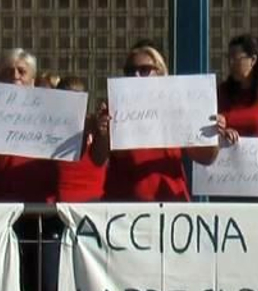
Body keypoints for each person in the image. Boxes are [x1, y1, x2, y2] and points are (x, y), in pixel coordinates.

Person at [91, 44, 219, 201]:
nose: (136, 76)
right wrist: (103, 134)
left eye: (144, 70)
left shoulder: (177, 107)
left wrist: (210, 133)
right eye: (130, 71)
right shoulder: (115, 108)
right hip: (124, 203)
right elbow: (97, 159)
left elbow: (206, 157)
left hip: (169, 201)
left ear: (160, 72)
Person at [0, 48, 59, 204]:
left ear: (33, 80)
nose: (15, 76)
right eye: (8, 72)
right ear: (0, 78)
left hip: (40, 201)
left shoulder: (50, 113)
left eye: (21, 71)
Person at [55, 76, 106, 203]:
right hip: (57, 204)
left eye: (78, 98)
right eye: (67, 98)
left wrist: (102, 133)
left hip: (93, 203)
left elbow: (99, 159)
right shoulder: (51, 126)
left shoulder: (95, 124)